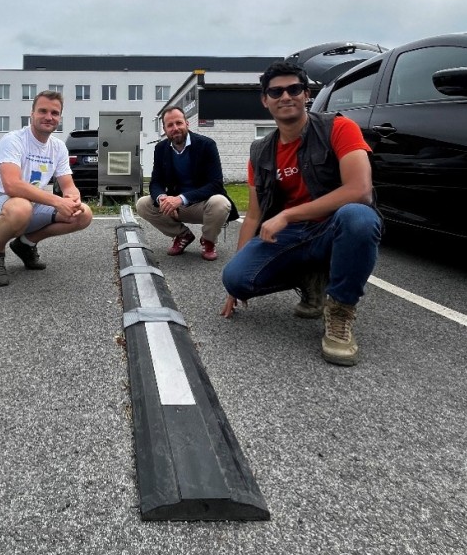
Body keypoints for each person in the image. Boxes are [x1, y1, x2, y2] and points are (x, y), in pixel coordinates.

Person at [221, 60, 382, 366]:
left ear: (306, 94)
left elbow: (360, 189)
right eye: (276, 91)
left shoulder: (338, 127)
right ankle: (311, 278)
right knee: (236, 278)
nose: (286, 96)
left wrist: (287, 216)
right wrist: (233, 284)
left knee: (359, 218)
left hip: (332, 227)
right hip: (293, 237)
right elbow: (253, 216)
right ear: (265, 100)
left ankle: (339, 311)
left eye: (294, 89)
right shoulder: (260, 152)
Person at [0, 90, 93, 286]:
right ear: (32, 114)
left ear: (60, 118)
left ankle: (25, 244)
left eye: (54, 113)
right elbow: (11, 185)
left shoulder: (58, 147)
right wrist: (57, 201)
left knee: (83, 214)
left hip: (29, 207)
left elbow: (68, 186)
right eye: (43, 111)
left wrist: (73, 200)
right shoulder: (13, 140)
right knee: (21, 207)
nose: (49, 117)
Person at [135, 107, 238, 261]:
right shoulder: (161, 149)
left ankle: (208, 241)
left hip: (203, 205)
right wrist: (162, 198)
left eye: (179, 123)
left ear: (187, 124)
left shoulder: (206, 145)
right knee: (143, 204)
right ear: (164, 129)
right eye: (170, 125)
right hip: (175, 207)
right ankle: (182, 235)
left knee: (220, 202)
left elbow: (215, 184)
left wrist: (181, 199)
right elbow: (156, 182)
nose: (175, 128)